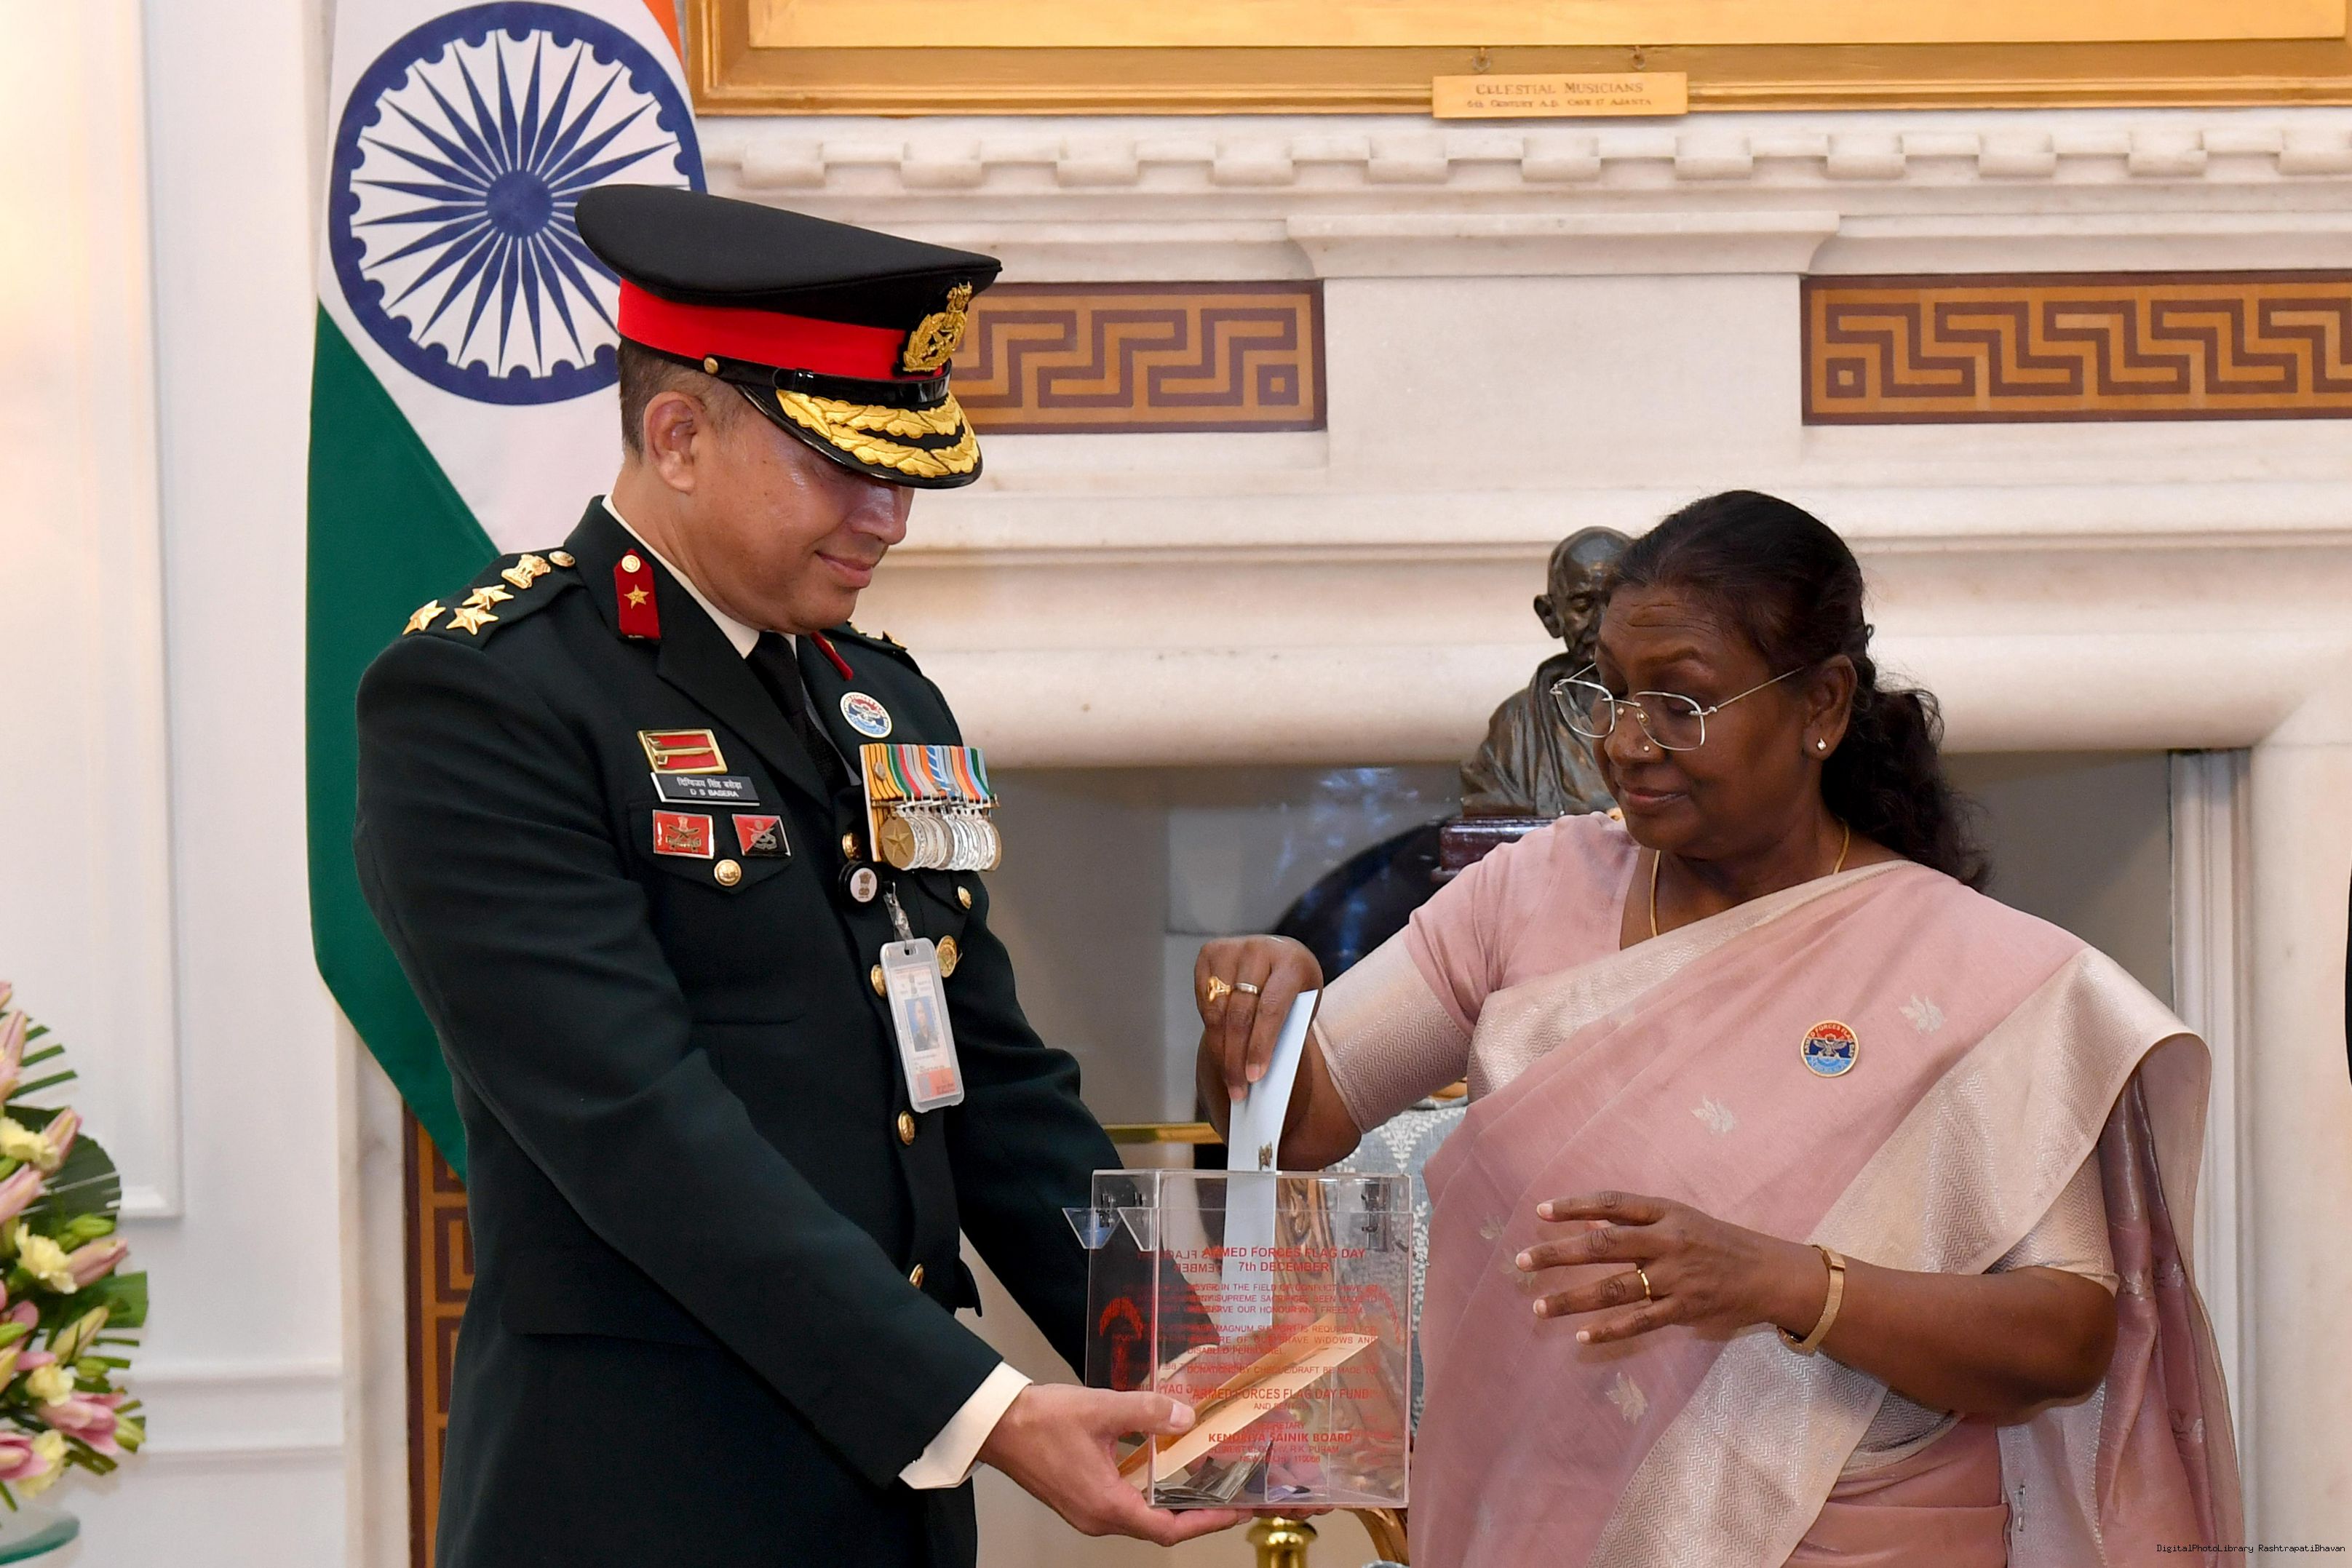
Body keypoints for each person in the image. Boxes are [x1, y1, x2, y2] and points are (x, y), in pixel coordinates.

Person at [354, 187, 1237, 1568]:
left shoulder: (878, 700)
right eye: (843, 466)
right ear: (677, 435)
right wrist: (988, 1410)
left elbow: (992, 1088)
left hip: (894, 1504)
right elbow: (638, 1128)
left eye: (907, 473)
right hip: (642, 1501)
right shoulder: (487, 697)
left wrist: (1207, 1370)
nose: (890, 517)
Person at [1196, 492, 2239, 1565]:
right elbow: (1292, 1122)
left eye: (1681, 704)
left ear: (1821, 703)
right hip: (1541, 1521)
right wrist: (1257, 1005)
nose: (1625, 742)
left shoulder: (1974, 971)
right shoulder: (1527, 892)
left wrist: (1791, 1282)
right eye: (1609, 693)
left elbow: (2065, 1332)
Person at [1457, 526, 1629, 819]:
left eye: (1616, 603)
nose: (1603, 624)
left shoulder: (1679, 708)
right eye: (1583, 605)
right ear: (1550, 615)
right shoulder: (1516, 725)